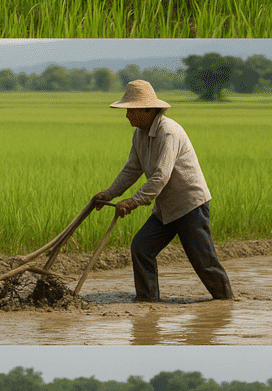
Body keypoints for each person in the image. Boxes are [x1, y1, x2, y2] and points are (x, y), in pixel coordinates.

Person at [93, 80, 234, 302]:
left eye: (131, 110)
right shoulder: (140, 134)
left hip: (189, 205)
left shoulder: (169, 132)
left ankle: (226, 302)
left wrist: (132, 201)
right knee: (141, 248)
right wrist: (109, 193)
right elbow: (132, 168)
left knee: (203, 261)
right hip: (165, 208)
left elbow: (161, 176)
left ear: (148, 110)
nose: (127, 116)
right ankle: (147, 300)